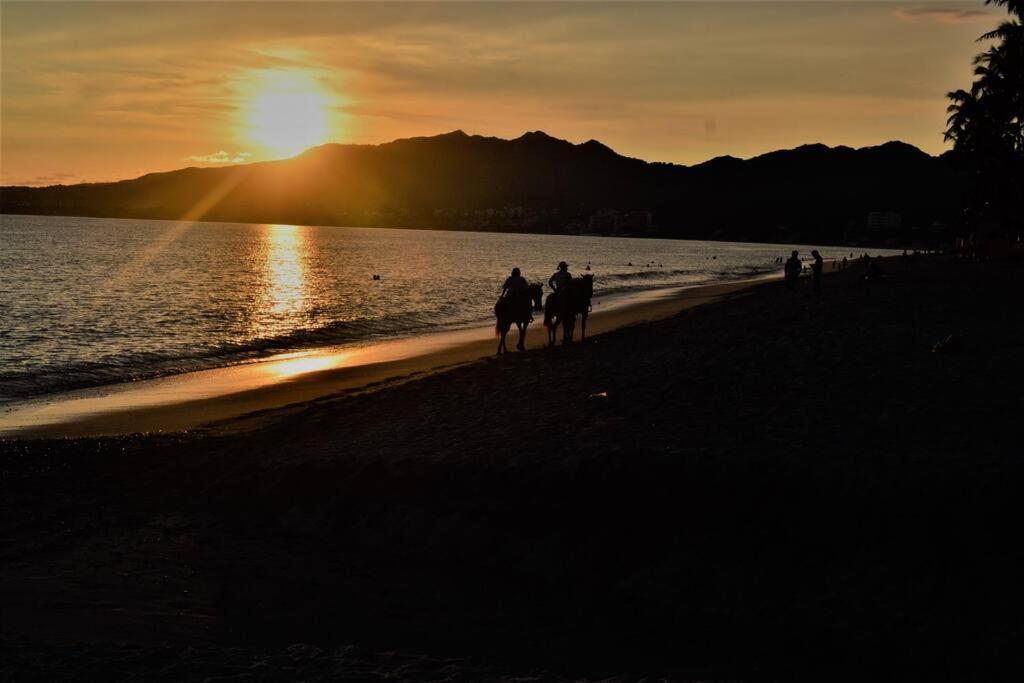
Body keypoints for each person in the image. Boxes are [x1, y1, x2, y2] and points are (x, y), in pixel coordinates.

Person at [545, 261, 573, 326]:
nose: (567, 268)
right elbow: (571, 284)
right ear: (565, 267)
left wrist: (554, 289)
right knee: (572, 302)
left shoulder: (556, 274)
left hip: (557, 291)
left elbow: (550, 282)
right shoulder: (567, 274)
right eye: (566, 267)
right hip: (565, 292)